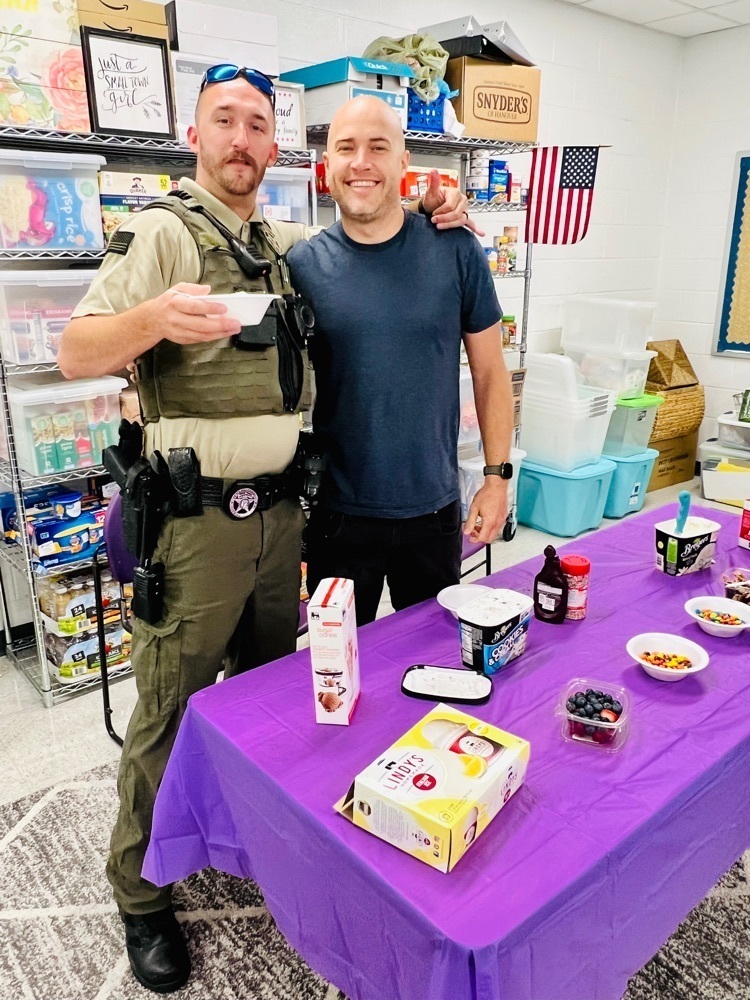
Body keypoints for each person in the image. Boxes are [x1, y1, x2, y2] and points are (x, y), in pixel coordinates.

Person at [57, 67, 470, 994]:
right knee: (170, 708)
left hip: (282, 518)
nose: (241, 140)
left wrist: (437, 201)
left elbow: (366, 224)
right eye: (225, 122)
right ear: (195, 136)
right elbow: (75, 350)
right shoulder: (163, 232)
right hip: (194, 525)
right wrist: (151, 319)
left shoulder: (276, 245)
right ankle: (139, 893)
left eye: (256, 125)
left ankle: (239, 838)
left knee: (271, 696)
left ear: (276, 148)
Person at [289, 96, 514, 626]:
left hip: (432, 510)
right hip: (338, 516)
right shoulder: (302, 265)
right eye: (346, 148)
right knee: (340, 664)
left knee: (434, 654)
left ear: (403, 161)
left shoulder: (455, 249)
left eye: (378, 147)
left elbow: (490, 371)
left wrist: (496, 479)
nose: (361, 162)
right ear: (327, 164)